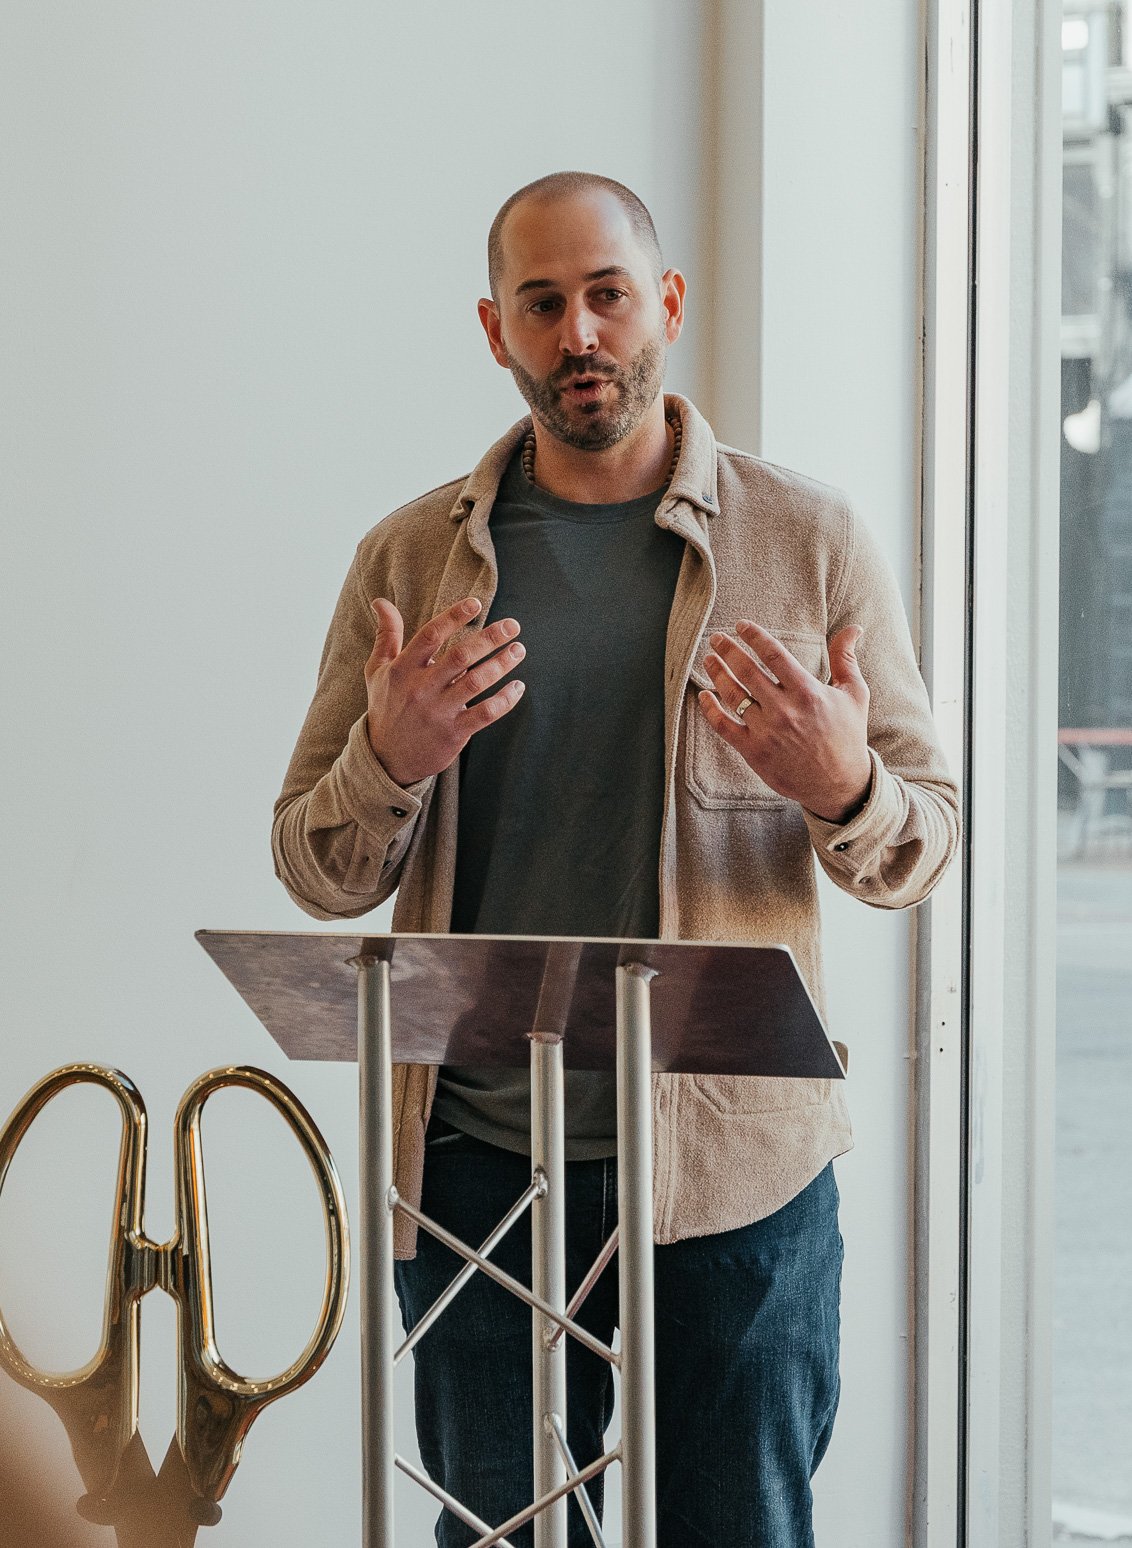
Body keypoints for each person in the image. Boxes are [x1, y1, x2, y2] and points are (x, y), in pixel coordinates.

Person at [272, 171, 959, 1547]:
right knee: (500, 1534)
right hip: (473, 1170)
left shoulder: (809, 541)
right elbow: (317, 871)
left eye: (607, 294)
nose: (579, 333)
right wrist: (388, 759)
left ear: (668, 306)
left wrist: (842, 783)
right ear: (496, 330)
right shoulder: (409, 558)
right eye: (543, 304)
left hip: (734, 1179)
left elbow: (920, 847)